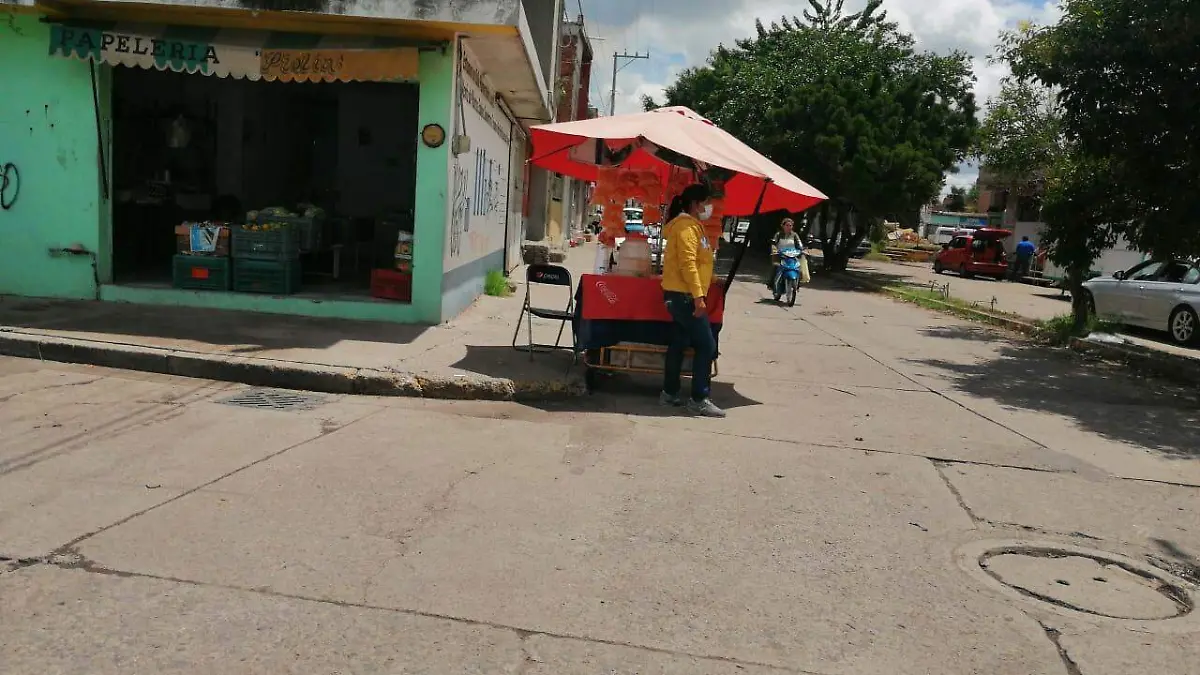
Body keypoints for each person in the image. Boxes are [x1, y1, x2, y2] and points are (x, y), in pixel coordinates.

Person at [659, 184, 724, 418]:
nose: (709, 207)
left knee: (679, 343)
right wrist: (698, 296)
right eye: (706, 203)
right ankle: (698, 399)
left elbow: (699, 262)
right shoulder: (686, 227)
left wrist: (712, 279)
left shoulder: (693, 227)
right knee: (706, 345)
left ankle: (669, 392)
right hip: (685, 296)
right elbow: (687, 264)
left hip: (681, 294)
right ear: (696, 204)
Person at [770, 218, 803, 290]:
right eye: (787, 225)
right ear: (783, 226)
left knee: (799, 269)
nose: (789, 227)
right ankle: (771, 284)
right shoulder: (778, 234)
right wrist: (774, 250)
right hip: (780, 255)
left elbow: (799, 243)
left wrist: (801, 249)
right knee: (775, 267)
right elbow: (774, 243)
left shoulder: (794, 235)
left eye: (790, 225)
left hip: (792, 255)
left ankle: (797, 285)